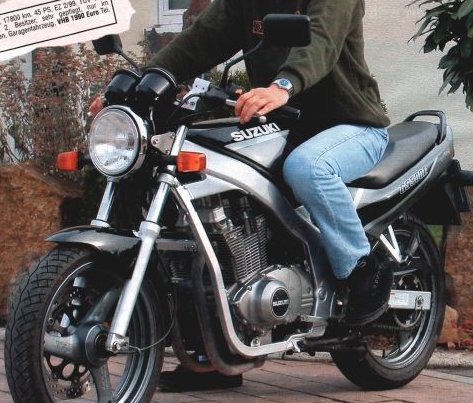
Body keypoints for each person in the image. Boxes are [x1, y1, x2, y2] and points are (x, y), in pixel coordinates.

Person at [101, 0, 394, 392]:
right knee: (204, 193)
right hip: (281, 123)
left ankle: (361, 270)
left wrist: (282, 86)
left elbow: (320, 41)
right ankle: (213, 356)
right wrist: (138, 89)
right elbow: (199, 41)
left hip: (350, 124)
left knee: (307, 168)